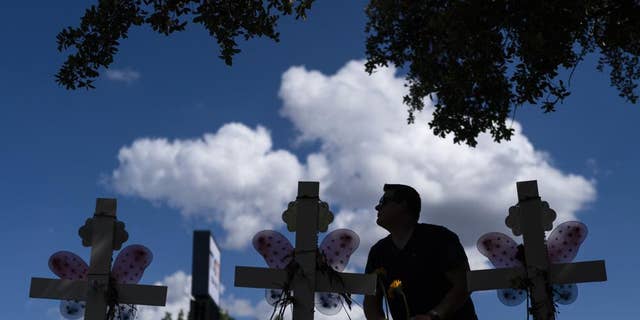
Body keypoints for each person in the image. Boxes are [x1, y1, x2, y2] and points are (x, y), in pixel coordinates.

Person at [363, 184, 478, 320]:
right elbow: (371, 301)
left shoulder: (439, 238)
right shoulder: (378, 252)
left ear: (403, 205)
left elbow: (463, 284)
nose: (377, 207)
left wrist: (433, 316)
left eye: (383, 201)